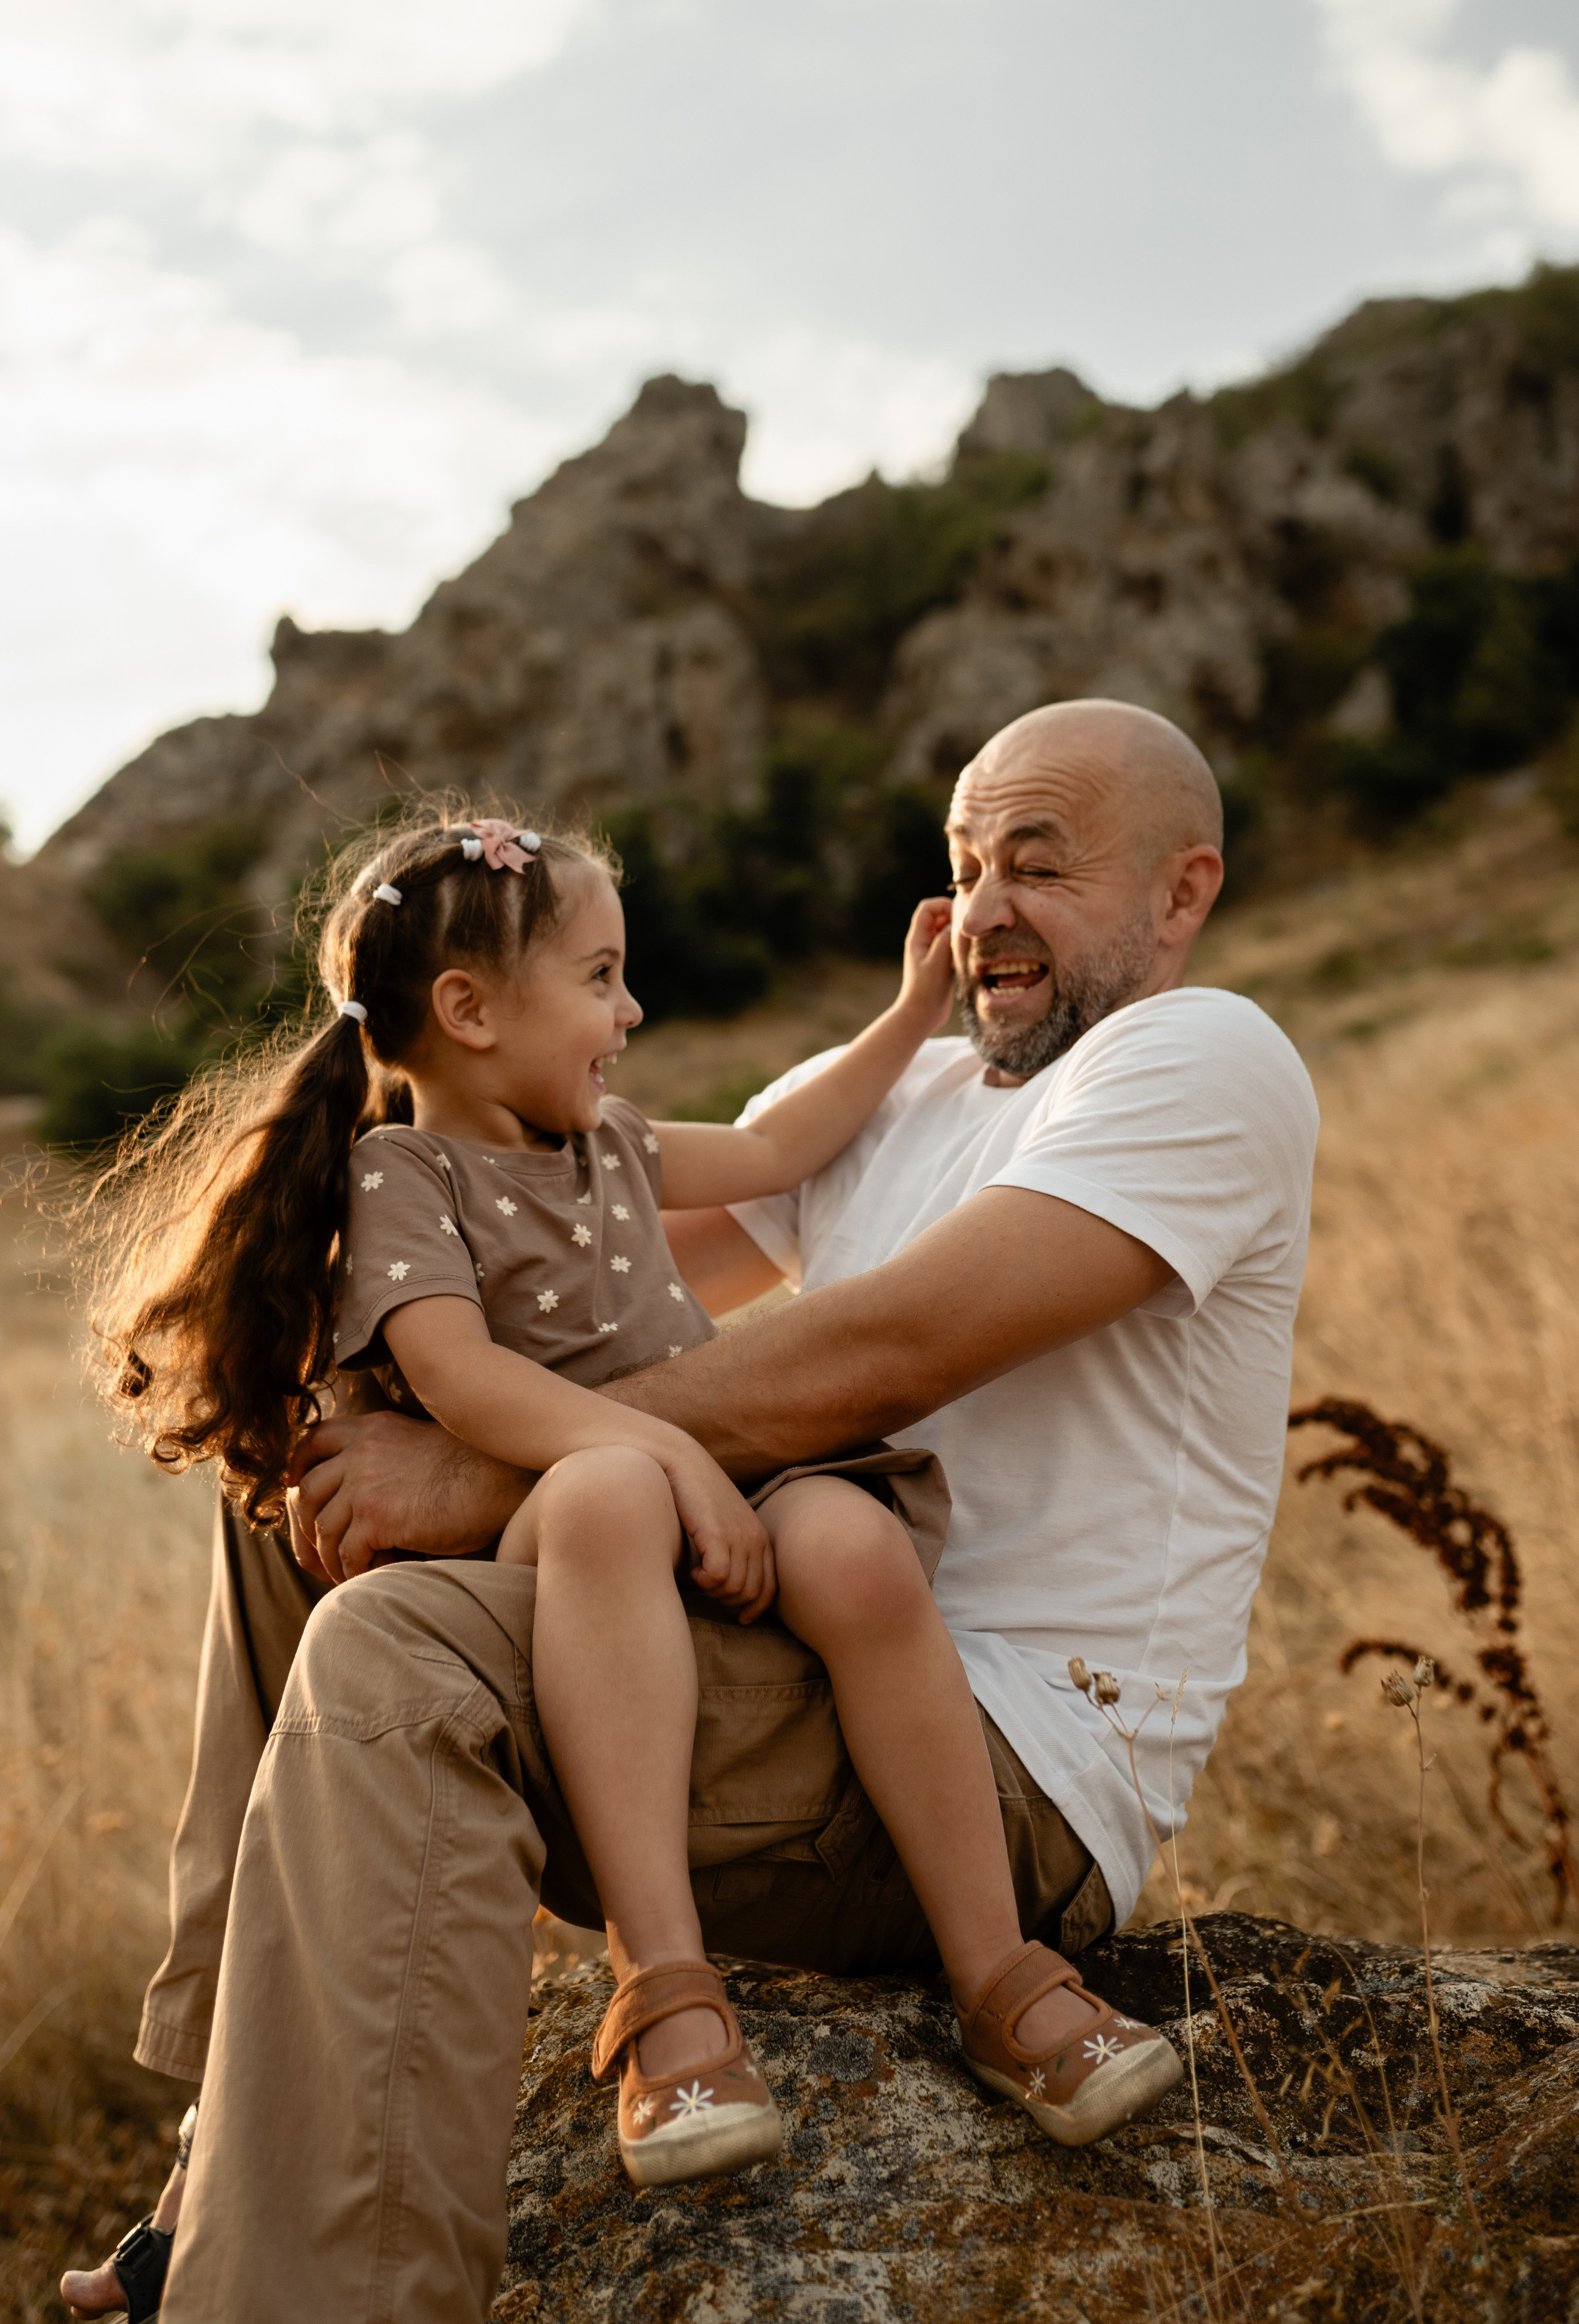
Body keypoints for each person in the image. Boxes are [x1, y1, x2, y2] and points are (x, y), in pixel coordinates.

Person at [67, 700, 1317, 2324]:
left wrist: (477, 1474)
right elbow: (584, 1284)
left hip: (995, 1760)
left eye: (1043, 863)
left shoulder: (1202, 1056)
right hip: (768, 1667)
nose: (988, 903)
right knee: (293, 1512)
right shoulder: (903, 1092)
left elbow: (883, 1348)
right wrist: (370, 1370)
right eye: (966, 861)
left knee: (399, 1642)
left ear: (1181, 893)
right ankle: (219, 2152)